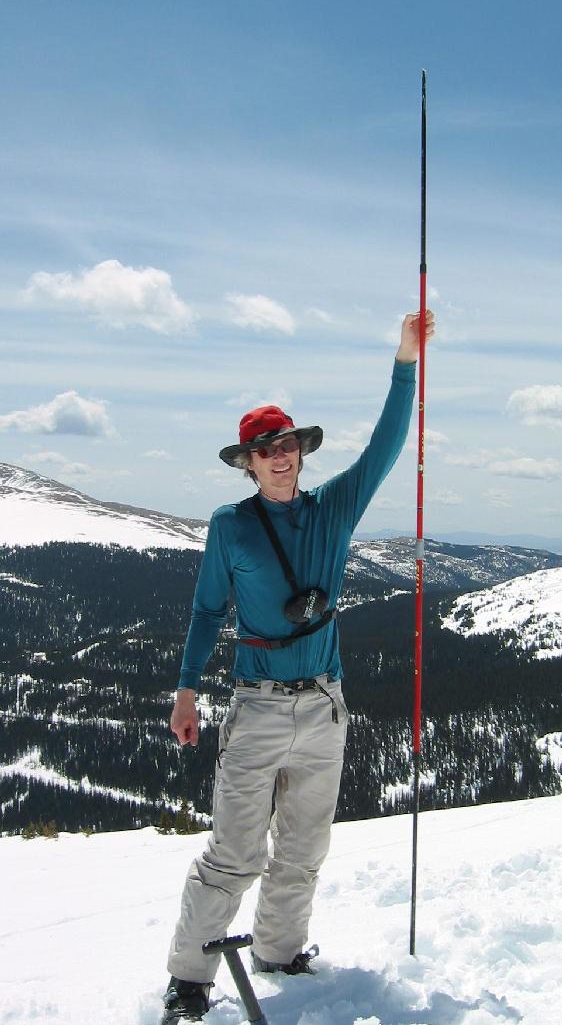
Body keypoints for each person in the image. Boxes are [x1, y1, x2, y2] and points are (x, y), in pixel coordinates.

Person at [161, 310, 435, 1022]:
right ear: (247, 463)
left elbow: (385, 446)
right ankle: (190, 976)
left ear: (299, 451)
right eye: (264, 450)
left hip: (323, 706)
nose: (278, 457)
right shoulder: (230, 526)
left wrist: (404, 361)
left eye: (285, 444)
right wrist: (186, 690)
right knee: (234, 852)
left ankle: (279, 952)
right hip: (255, 706)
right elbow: (206, 611)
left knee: (304, 847)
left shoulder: (334, 507)